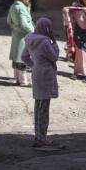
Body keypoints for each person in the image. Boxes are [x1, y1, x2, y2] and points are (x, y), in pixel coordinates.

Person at [21, 18, 61, 149]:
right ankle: (42, 138)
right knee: (44, 108)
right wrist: (54, 43)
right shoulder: (45, 42)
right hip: (46, 75)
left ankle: (38, 135)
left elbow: (24, 56)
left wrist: (34, 66)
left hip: (37, 73)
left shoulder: (30, 39)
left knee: (38, 106)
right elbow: (54, 57)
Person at [7, 0, 35, 86]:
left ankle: (18, 79)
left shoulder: (14, 6)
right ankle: (23, 80)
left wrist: (15, 27)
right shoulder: (21, 8)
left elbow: (8, 21)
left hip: (16, 36)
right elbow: (24, 24)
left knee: (17, 58)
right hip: (23, 36)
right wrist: (34, 31)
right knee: (24, 59)